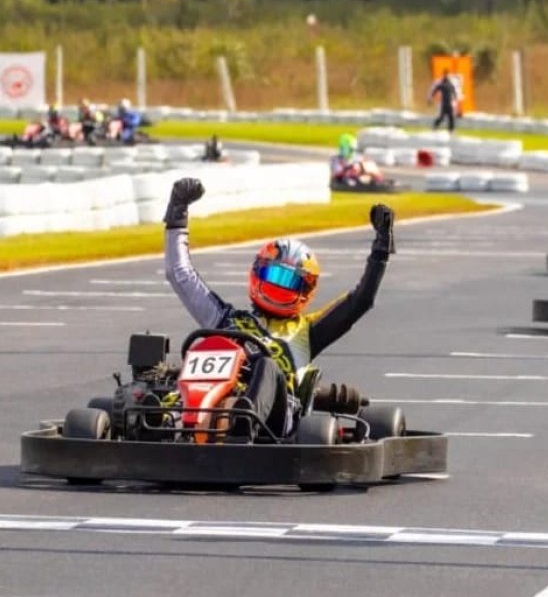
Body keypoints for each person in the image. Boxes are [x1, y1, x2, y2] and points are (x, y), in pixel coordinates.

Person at [163, 177, 394, 437]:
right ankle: (163, 419)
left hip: (271, 423)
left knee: (268, 367)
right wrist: (177, 213)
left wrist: (381, 248)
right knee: (200, 347)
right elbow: (179, 275)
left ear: (306, 288)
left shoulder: (307, 332)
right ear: (257, 272)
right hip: (212, 400)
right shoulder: (225, 319)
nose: (278, 286)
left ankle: (243, 422)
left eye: (289, 280)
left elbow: (360, 301)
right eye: (273, 275)